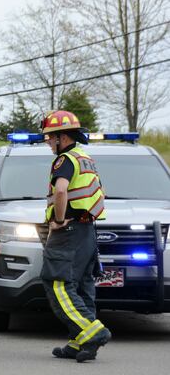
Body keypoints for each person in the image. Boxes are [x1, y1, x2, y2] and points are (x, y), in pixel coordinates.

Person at [40, 110, 111, 362]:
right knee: (82, 286)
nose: (47, 141)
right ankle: (80, 342)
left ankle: (94, 332)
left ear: (62, 136)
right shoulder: (85, 157)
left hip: (69, 230)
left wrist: (58, 220)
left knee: (57, 282)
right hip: (86, 230)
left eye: (50, 136)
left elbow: (61, 192)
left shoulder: (65, 160)